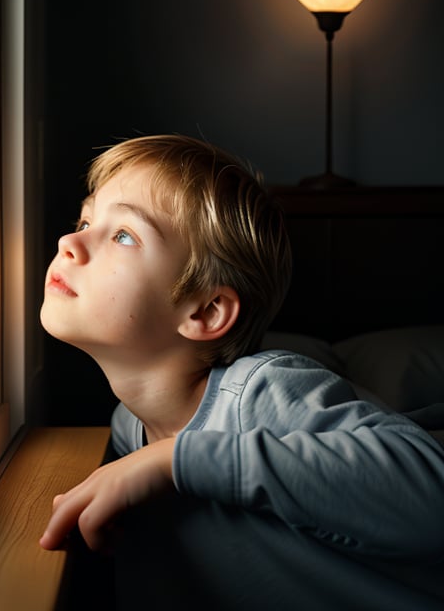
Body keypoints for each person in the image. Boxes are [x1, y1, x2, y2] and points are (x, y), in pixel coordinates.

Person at [39, 134, 444, 610]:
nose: (69, 241)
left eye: (123, 234)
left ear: (206, 311)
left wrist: (172, 461)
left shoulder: (259, 390)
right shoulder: (130, 429)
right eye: (85, 219)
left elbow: (430, 493)